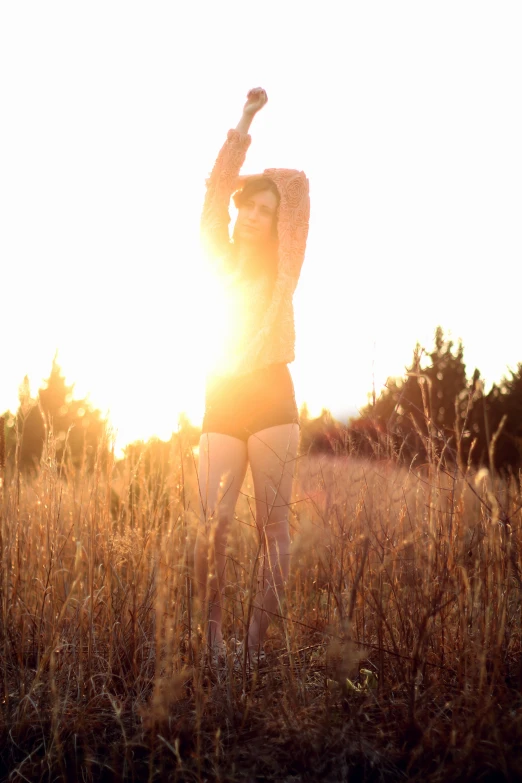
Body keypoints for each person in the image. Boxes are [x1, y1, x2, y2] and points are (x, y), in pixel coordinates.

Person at [194, 87, 310, 670]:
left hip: (270, 396)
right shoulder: (215, 252)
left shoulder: (284, 266)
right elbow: (216, 190)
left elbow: (298, 188)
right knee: (212, 526)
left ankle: (253, 650)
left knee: (272, 529)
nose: (253, 216)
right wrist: (242, 122)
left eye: (265, 211)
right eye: (248, 208)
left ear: (275, 223)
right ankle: (216, 646)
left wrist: (268, 181)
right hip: (222, 396)